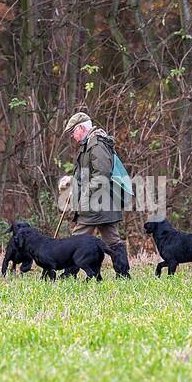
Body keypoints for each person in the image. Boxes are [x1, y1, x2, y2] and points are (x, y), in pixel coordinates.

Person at [62, 111, 130, 276]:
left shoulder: (97, 146)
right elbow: (86, 174)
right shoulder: (89, 145)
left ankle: (69, 274)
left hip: (97, 202)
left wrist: (83, 193)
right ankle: (123, 273)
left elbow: (101, 176)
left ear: (81, 128)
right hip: (103, 202)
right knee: (112, 239)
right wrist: (72, 181)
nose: (72, 136)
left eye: (73, 132)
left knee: (77, 238)